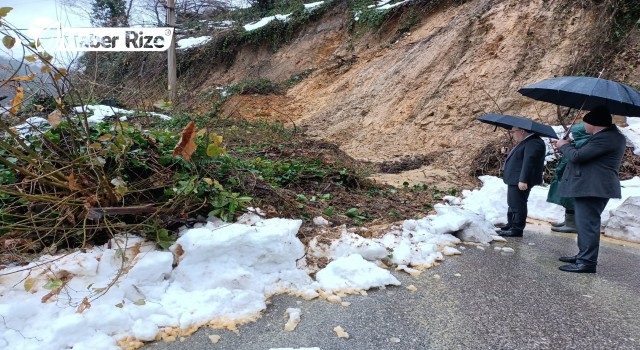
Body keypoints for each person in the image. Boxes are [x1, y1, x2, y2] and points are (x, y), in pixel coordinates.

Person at [551, 105, 626, 273]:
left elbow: (578, 156)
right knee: (584, 223)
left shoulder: (607, 138)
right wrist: (569, 144)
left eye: (585, 122)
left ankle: (587, 262)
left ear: (594, 124)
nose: (583, 125)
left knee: (588, 224)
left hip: (594, 188)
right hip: (591, 187)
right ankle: (583, 255)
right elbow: (585, 152)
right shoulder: (606, 136)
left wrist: (564, 146)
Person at [498, 126, 546, 237]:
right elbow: (520, 157)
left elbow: (529, 162)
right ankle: (511, 224)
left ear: (522, 131)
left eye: (513, 132)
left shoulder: (534, 142)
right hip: (516, 178)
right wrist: (507, 153)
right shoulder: (526, 141)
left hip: (520, 179)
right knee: (513, 203)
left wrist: (523, 179)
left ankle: (517, 229)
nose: (512, 134)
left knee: (518, 204)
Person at [547, 122, 590, 233]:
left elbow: (571, 157)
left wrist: (565, 146)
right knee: (568, 200)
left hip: (574, 175)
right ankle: (568, 221)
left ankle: (571, 224)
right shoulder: (582, 142)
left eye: (574, 134)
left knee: (570, 201)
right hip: (573, 175)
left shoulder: (582, 143)